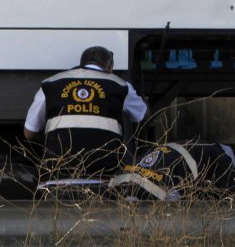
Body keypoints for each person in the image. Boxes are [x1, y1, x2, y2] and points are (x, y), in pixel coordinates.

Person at [23, 46, 147, 195]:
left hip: (56, 177)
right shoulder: (120, 85)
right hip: (102, 180)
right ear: (110, 67)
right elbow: (143, 115)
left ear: (82, 62)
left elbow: (29, 133)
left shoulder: (50, 84)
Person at [108, 141, 235, 201]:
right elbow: (230, 202)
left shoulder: (199, 150)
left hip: (120, 180)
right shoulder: (220, 158)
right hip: (156, 188)